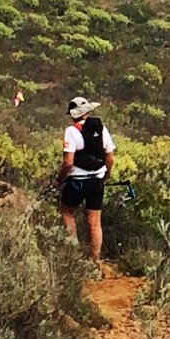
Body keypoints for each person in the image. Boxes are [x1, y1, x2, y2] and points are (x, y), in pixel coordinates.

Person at [58, 95, 115, 263]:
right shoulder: (101, 129)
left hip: (77, 181)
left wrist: (59, 180)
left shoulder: (71, 131)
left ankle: (73, 253)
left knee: (67, 211)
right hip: (97, 180)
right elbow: (110, 158)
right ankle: (95, 261)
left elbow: (68, 162)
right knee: (95, 222)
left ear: (73, 114)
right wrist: (106, 175)